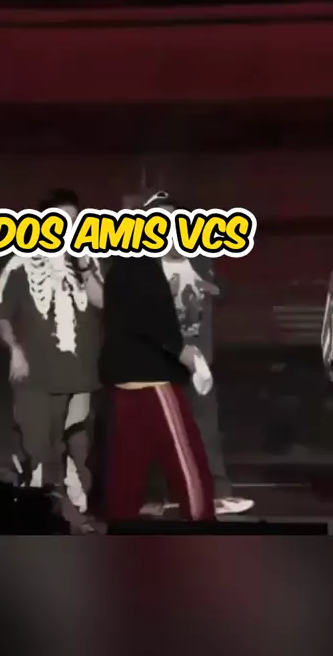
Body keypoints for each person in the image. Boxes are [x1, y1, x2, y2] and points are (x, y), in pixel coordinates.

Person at [100, 192, 216, 522]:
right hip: (153, 380)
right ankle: (202, 525)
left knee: (127, 466)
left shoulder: (125, 262)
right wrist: (183, 351)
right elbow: (148, 317)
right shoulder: (141, 266)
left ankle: (119, 528)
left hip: (126, 382)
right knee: (187, 461)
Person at [140, 192, 254, 517]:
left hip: (198, 360)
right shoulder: (140, 263)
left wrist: (207, 285)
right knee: (155, 430)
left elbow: (222, 291)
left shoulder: (199, 256)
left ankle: (215, 493)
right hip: (158, 360)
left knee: (204, 428)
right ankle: (157, 496)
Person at [0, 189, 102, 512]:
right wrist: (14, 349)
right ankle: (33, 510)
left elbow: (103, 302)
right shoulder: (21, 261)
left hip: (81, 374)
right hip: (36, 375)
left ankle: (77, 509)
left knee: (79, 445)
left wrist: (84, 265)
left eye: (74, 220)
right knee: (35, 448)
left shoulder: (90, 259)